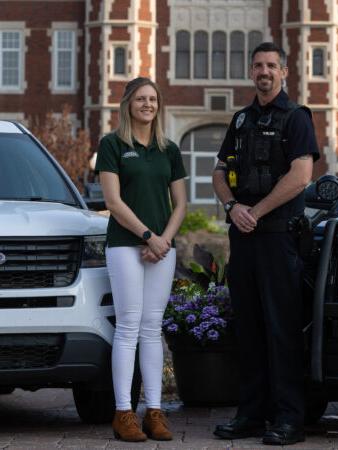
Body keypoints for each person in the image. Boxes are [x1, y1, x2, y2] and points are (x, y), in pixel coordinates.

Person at [212, 42, 320, 446]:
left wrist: (255, 212)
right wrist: (231, 205)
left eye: (271, 65)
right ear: (250, 72)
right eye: (258, 65)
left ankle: (289, 418)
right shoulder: (240, 120)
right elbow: (219, 171)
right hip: (243, 239)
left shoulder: (296, 118)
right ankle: (251, 415)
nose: (264, 71)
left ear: (284, 72)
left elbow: (301, 175)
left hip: (278, 238)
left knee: (282, 329)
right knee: (250, 328)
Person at [95, 77, 187, 442]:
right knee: (129, 325)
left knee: (152, 327)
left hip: (162, 248)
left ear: (158, 105)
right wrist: (148, 236)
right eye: (140, 99)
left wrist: (163, 240)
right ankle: (123, 413)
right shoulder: (112, 145)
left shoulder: (169, 149)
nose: (147, 104)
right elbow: (114, 203)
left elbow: (180, 203)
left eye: (152, 99)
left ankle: (154, 411)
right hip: (125, 246)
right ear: (128, 104)